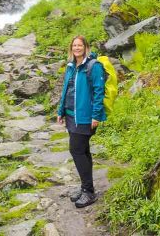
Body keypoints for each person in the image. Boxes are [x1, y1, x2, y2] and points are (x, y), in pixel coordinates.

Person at [57, 35, 106, 208]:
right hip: (71, 116)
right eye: (74, 45)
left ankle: (89, 192)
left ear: (86, 47)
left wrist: (96, 115)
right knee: (83, 151)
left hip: (85, 117)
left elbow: (99, 91)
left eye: (80, 45)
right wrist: (60, 110)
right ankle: (86, 188)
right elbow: (66, 89)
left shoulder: (94, 66)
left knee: (76, 150)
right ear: (71, 48)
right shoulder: (71, 66)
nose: (77, 48)